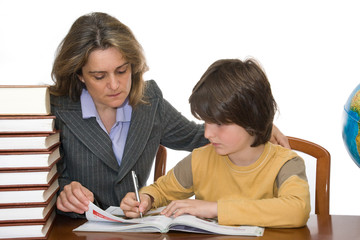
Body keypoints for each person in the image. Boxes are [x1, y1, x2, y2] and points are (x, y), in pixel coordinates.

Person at [50, 12, 289, 219]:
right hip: (74, 230)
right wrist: (63, 192)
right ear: (79, 75)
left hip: (136, 229)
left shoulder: (149, 101)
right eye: (99, 76)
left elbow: (201, 138)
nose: (115, 84)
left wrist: (256, 126)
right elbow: (41, 180)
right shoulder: (55, 110)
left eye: (122, 71)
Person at [120, 58, 310, 228]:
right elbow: (160, 191)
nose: (208, 133)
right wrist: (146, 198)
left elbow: (296, 210)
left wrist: (216, 209)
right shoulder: (200, 160)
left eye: (220, 123)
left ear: (252, 118)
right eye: (206, 121)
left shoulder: (286, 163)